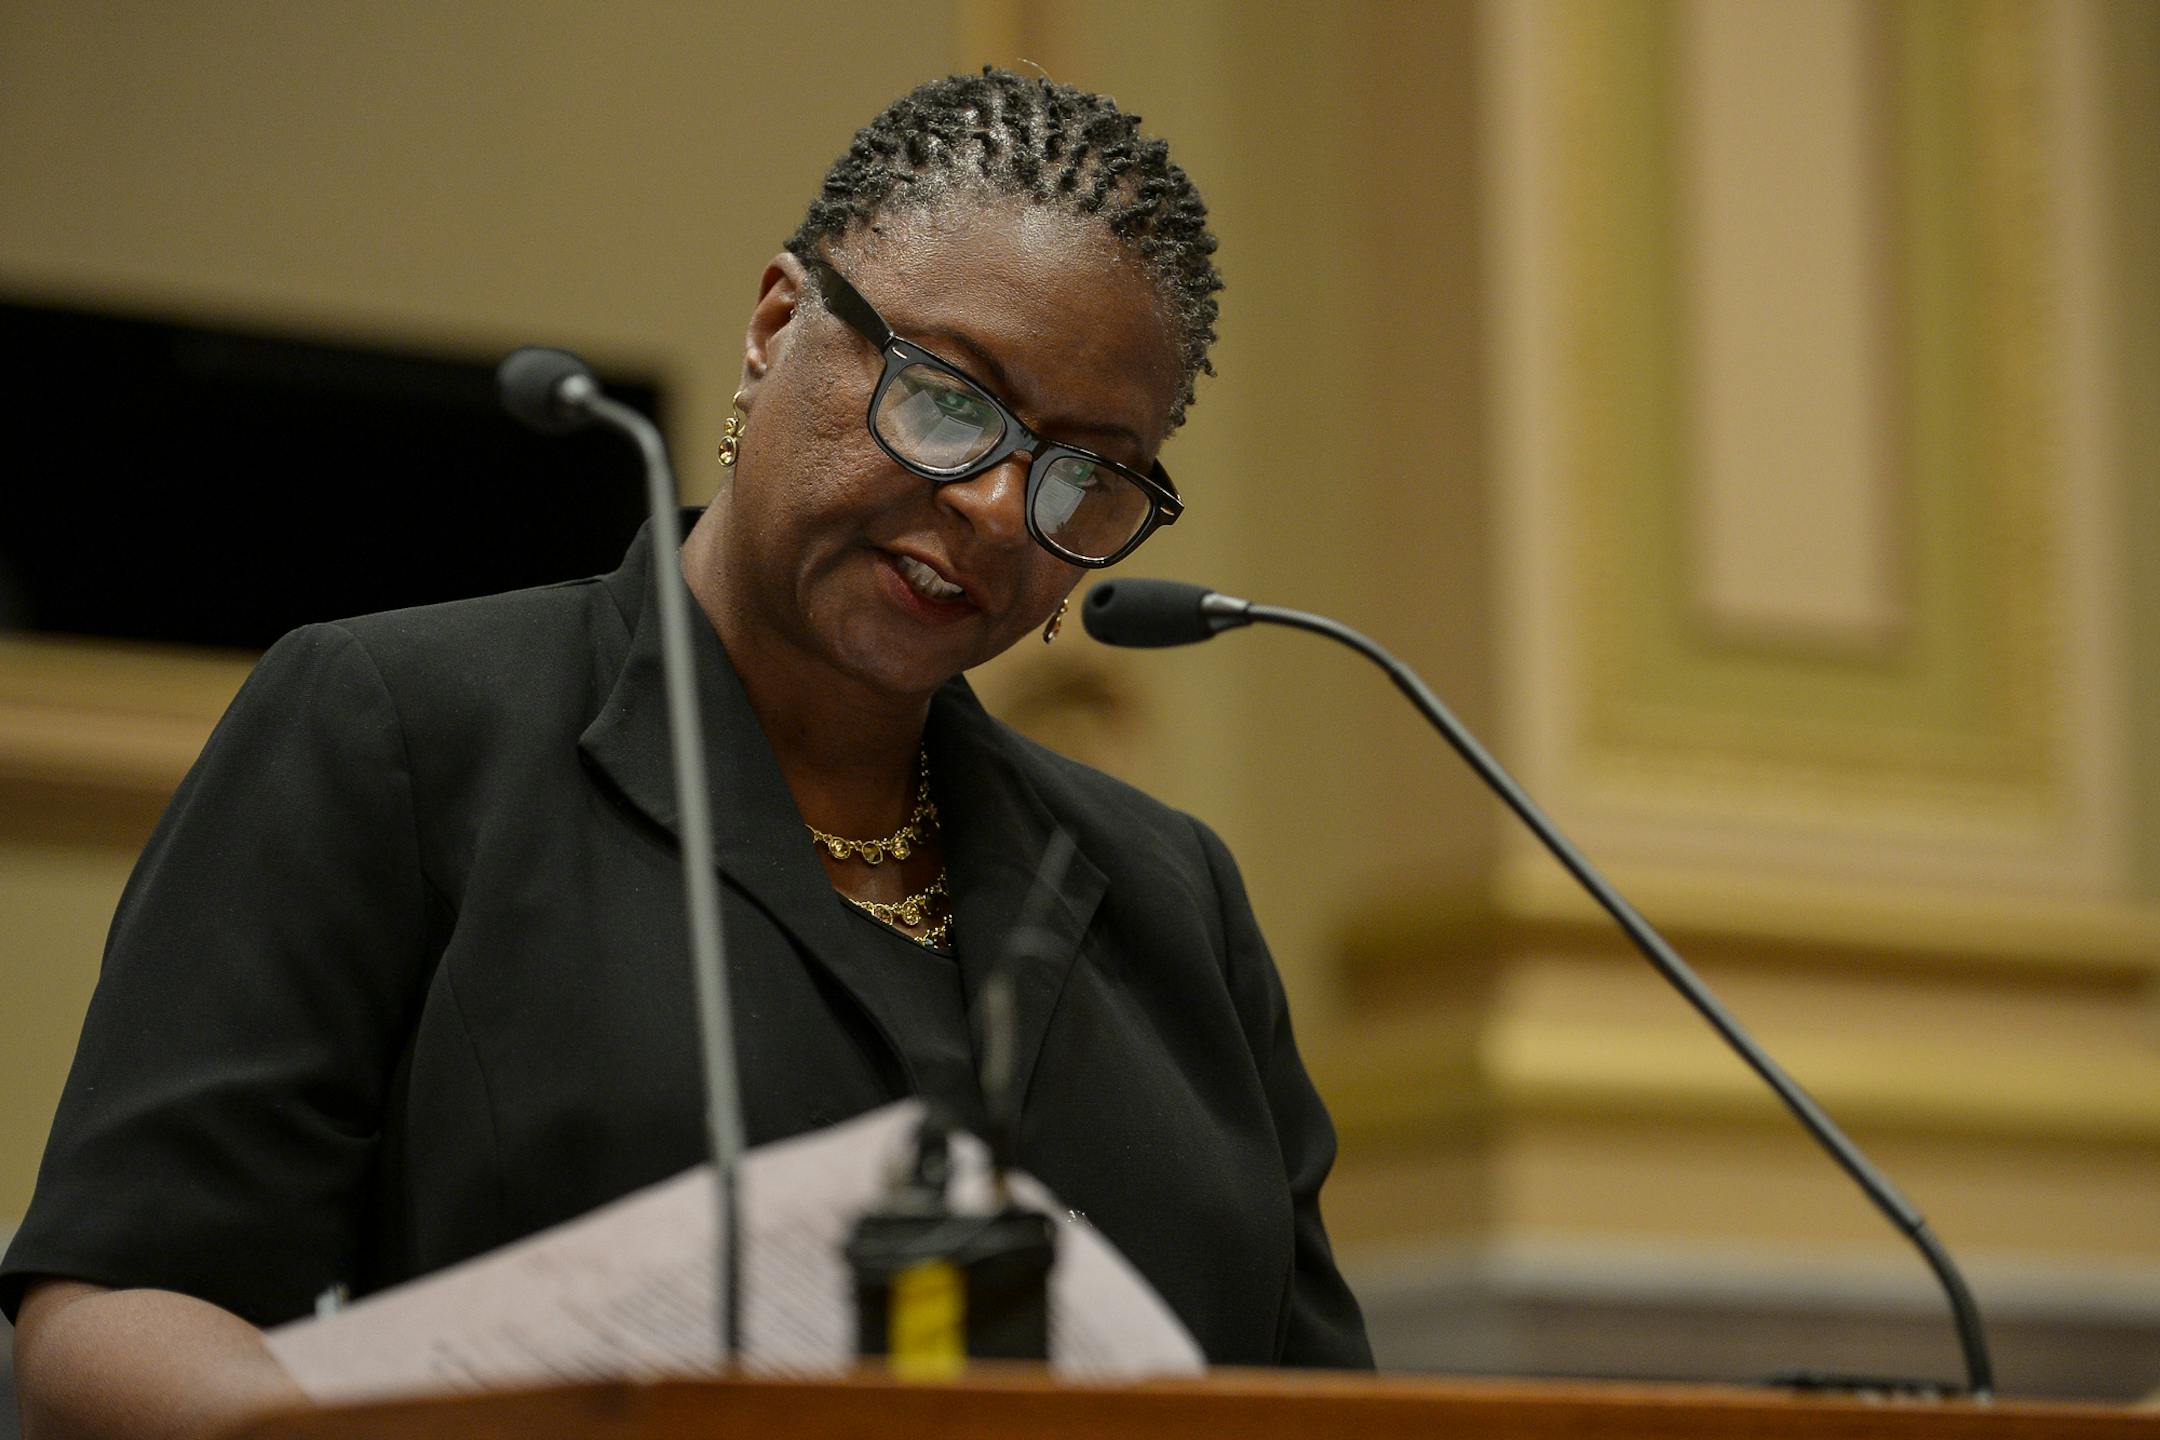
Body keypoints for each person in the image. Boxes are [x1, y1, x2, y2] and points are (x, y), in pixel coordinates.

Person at [5, 69, 1372, 1436]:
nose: (1002, 510)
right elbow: (116, 1315)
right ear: (777, 327)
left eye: (1087, 474)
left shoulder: (1171, 897)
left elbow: (1322, 1400)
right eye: (953, 401)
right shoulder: (396, 730)